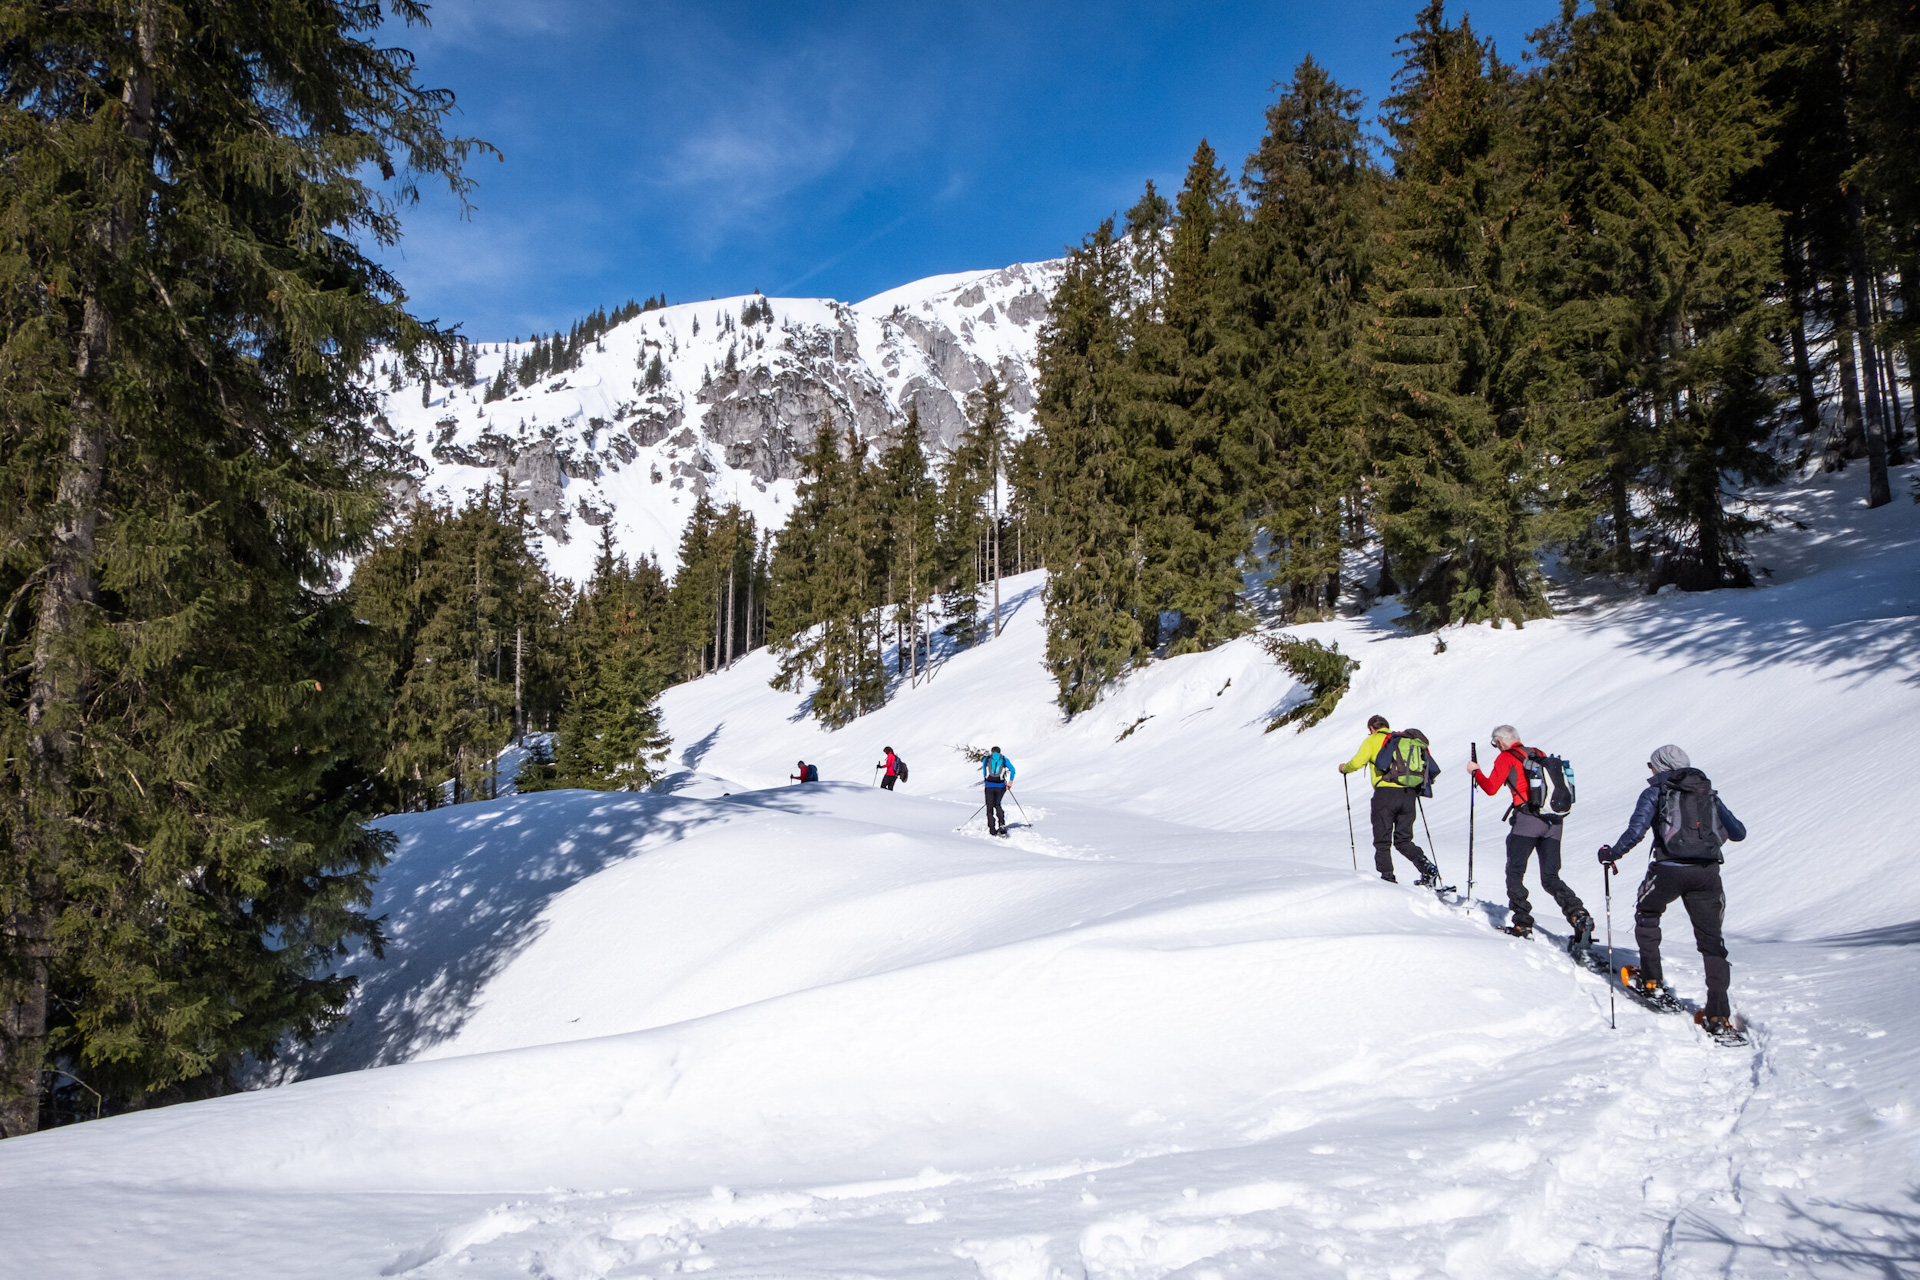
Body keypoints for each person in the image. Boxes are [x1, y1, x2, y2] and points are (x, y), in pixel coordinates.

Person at [1599, 744, 1747, 1036]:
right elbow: (1739, 832)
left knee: (1648, 912)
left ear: (1661, 766)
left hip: (1668, 870)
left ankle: (1652, 982)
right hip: (1707, 874)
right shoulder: (1708, 793)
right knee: (1712, 941)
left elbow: (1636, 831)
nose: (1650, 770)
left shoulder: (1656, 792)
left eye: (1651, 765)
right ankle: (1718, 1016)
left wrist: (1611, 853)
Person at [1473, 724, 1594, 944]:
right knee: (1550, 877)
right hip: (1554, 822)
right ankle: (1578, 914)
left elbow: (1491, 788)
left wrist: (1475, 772)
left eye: (1495, 743)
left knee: (1515, 872)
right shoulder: (1539, 753)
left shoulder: (1506, 757)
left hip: (1527, 822)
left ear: (1500, 741)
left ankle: (1522, 923)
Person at [1338, 715, 1441, 887]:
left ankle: (1388, 878)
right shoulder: (1401, 741)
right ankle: (1426, 867)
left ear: (1371, 728)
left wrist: (1344, 768)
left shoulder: (1373, 740)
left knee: (1382, 839)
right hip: (1408, 794)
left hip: (1385, 794)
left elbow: (1356, 763)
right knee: (1403, 840)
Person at [981, 746, 1015, 836]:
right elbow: (1012, 770)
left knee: (989, 807)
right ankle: (1002, 825)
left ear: (991, 752)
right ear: (999, 752)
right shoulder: (1004, 759)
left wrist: (986, 780)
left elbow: (984, 771)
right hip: (1001, 786)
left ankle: (992, 829)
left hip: (989, 786)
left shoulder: (986, 759)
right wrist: (1010, 782)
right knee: (997, 804)